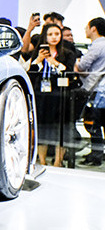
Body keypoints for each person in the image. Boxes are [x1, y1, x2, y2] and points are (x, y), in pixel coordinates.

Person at [29, 23, 77, 167]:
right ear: (45, 36)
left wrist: (54, 62)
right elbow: (31, 74)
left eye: (57, 34)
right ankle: (42, 161)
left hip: (60, 96)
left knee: (59, 130)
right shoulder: (38, 52)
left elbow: (69, 73)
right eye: (50, 34)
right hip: (42, 96)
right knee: (43, 128)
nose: (54, 37)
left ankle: (58, 161)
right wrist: (38, 60)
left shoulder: (67, 53)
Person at [75, 17, 105, 166]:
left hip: (96, 89)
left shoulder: (97, 46)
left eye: (87, 27)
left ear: (93, 28)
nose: (85, 30)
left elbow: (82, 66)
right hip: (101, 89)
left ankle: (96, 155)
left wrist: (77, 63)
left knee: (93, 123)